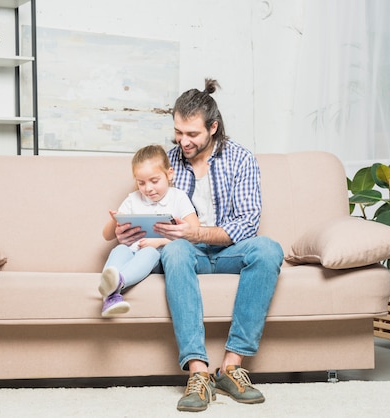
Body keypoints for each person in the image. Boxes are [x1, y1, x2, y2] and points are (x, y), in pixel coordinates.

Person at [114, 79, 284, 412]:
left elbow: (248, 223)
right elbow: (147, 209)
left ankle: (232, 367)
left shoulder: (241, 160)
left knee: (268, 249)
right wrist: (128, 233)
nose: (183, 141)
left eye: (192, 134)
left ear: (213, 127)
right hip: (184, 252)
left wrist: (198, 233)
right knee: (176, 249)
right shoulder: (167, 162)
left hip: (228, 251)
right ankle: (198, 372)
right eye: (178, 132)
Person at [100, 144, 200, 317]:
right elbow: (107, 236)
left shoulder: (178, 197)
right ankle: (110, 296)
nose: (148, 188)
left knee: (149, 252)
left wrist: (160, 241)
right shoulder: (133, 199)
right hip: (132, 252)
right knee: (120, 249)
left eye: (154, 181)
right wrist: (114, 221)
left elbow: (195, 232)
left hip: (158, 257)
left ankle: (119, 282)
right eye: (141, 183)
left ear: (169, 174)